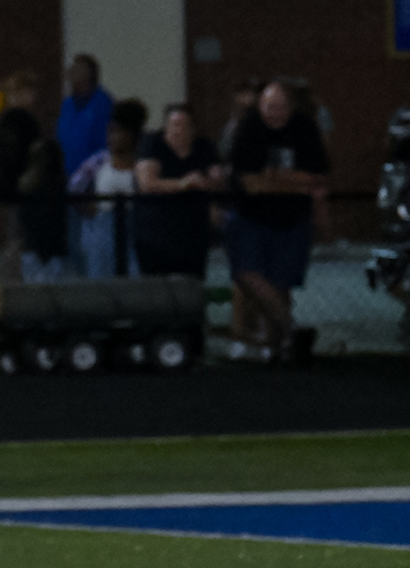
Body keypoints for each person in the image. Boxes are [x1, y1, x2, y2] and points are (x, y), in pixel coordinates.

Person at [225, 81, 329, 362]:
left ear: (291, 107)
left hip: (291, 219)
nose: (275, 113)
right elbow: (249, 182)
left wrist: (274, 179)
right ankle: (289, 327)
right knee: (246, 272)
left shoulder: (304, 128)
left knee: (282, 281)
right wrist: (295, 183)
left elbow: (316, 175)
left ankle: (276, 345)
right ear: (260, 106)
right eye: (269, 106)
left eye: (281, 106)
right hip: (251, 216)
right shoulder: (249, 128)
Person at [0, 72, 68, 282]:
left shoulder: (5, 121)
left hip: (13, 186)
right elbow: (19, 156)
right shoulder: (20, 120)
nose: (34, 97)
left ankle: (12, 280)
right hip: (23, 187)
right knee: (19, 237)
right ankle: (13, 283)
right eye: (30, 92)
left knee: (16, 235)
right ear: (19, 93)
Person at [134, 103, 224, 278]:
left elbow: (217, 179)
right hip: (156, 232)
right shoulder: (152, 144)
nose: (179, 131)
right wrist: (183, 184)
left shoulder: (204, 146)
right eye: (174, 125)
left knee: (192, 282)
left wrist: (208, 183)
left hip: (194, 232)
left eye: (184, 126)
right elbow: (147, 183)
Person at [68, 99, 148, 278]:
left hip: (135, 231)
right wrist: (90, 208)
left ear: (131, 135)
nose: (111, 137)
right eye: (109, 131)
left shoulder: (144, 164)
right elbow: (74, 188)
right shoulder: (99, 162)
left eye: (117, 132)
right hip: (103, 234)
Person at [56, 54, 114, 177]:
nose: (72, 73)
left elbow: (105, 142)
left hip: (93, 173)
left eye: (78, 69)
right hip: (66, 173)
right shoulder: (67, 105)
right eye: (72, 69)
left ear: (90, 74)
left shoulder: (103, 103)